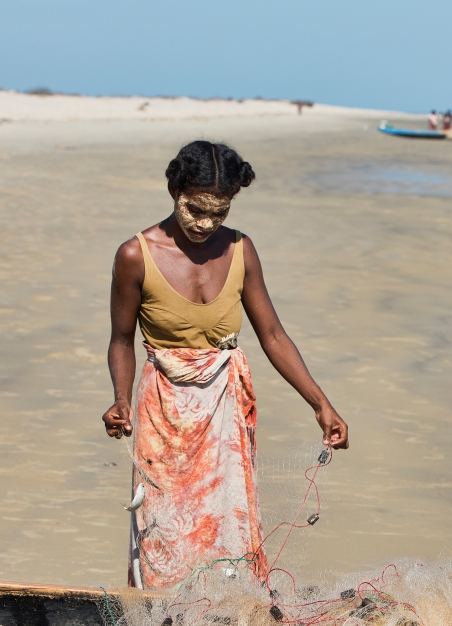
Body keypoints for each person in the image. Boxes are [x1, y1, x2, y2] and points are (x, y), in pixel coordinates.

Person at [102, 140, 348, 590]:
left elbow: (273, 335)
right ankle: (157, 625)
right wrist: (121, 399)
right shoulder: (135, 256)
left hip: (226, 406)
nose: (205, 224)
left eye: (220, 213)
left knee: (226, 527)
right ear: (173, 189)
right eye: (195, 209)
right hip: (163, 409)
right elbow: (121, 340)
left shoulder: (240, 251)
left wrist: (321, 404)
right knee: (161, 527)